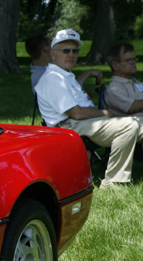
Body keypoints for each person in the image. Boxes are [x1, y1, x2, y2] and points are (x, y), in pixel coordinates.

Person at [35, 29, 143, 188]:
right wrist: (105, 113)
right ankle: (113, 182)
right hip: (69, 126)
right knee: (129, 125)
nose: (71, 54)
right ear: (53, 54)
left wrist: (89, 72)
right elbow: (77, 113)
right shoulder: (52, 78)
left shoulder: (64, 75)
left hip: (86, 122)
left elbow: (73, 91)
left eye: (75, 51)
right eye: (66, 51)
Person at [26, 33, 101, 91]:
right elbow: (71, 90)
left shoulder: (43, 71)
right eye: (52, 43)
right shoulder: (42, 76)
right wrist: (88, 73)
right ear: (45, 49)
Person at [103, 43, 143, 116]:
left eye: (134, 59)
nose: (133, 62)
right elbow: (130, 108)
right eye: (128, 60)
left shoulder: (138, 83)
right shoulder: (113, 89)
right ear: (115, 65)